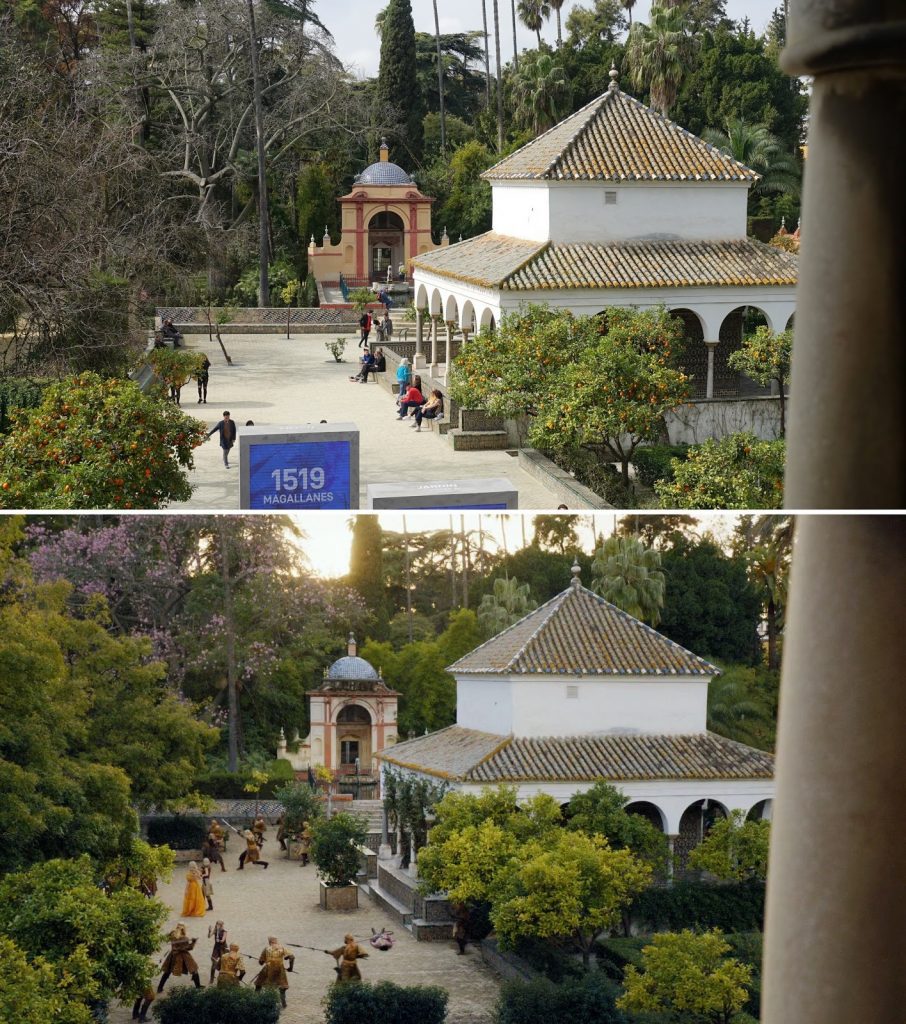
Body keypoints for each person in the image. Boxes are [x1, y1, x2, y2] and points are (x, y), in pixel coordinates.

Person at [157, 923, 202, 992]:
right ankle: (198, 986)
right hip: (183, 956)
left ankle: (159, 988)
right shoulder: (184, 938)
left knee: (167, 971)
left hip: (173, 955)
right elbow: (189, 948)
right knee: (194, 969)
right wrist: (193, 942)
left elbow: (167, 937)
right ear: (183, 929)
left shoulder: (172, 934)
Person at [254, 936, 294, 1008]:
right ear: (276, 941)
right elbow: (292, 957)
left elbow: (261, 962)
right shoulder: (282, 948)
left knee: (258, 984)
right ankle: (283, 1004)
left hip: (268, 969)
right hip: (280, 969)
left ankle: (255, 1001)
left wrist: (263, 960)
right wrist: (290, 968)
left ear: (270, 942)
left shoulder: (266, 949)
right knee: (282, 987)